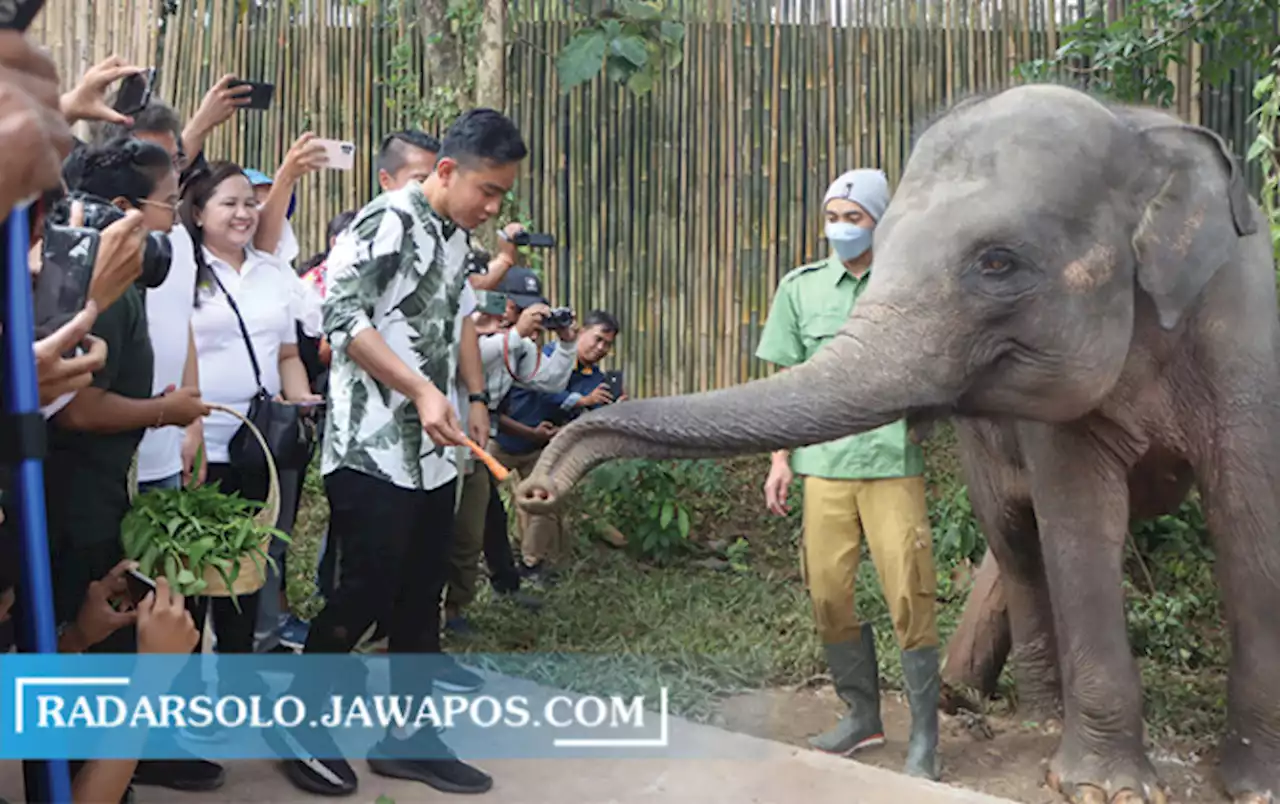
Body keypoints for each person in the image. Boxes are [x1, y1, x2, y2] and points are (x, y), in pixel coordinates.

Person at [271, 108, 527, 798]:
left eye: (503, 194)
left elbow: (454, 324)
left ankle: (409, 738)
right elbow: (342, 318)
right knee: (365, 591)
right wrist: (419, 390)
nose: (495, 206)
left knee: (422, 598)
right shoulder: (385, 220)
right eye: (489, 190)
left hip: (434, 453)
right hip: (371, 449)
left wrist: (469, 399)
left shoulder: (453, 238)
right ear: (447, 171)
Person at [756, 168, 941, 780]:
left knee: (909, 595)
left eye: (853, 217)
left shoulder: (909, 289)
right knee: (828, 592)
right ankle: (862, 714)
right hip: (824, 465)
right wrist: (780, 459)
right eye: (833, 216)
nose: (839, 228)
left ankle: (925, 739)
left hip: (891, 464)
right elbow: (783, 385)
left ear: (880, 223)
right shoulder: (801, 288)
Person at [178, 161, 321, 697]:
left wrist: (300, 399)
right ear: (197, 212)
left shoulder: (274, 273)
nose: (243, 213)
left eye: (249, 203)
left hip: (257, 445)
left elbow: (287, 353)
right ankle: (187, 703)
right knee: (191, 580)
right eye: (228, 203)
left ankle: (233, 692)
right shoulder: (180, 274)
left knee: (243, 576)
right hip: (193, 446)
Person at [443, 280, 580, 632]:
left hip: (475, 447)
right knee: (439, 530)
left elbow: (548, 381)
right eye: (516, 308)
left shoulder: (515, 343)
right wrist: (515, 334)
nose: (519, 315)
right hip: (441, 440)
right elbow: (464, 357)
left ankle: (456, 608)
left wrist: (566, 343)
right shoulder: (469, 326)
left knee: (475, 530)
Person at [493, 306, 622, 581]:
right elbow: (545, 389)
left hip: (541, 448)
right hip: (502, 440)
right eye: (597, 339)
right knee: (478, 502)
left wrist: (609, 412)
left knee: (544, 503)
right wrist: (581, 400)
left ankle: (530, 564)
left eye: (607, 345)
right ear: (581, 332)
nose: (600, 348)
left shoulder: (596, 380)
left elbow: (584, 419)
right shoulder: (544, 355)